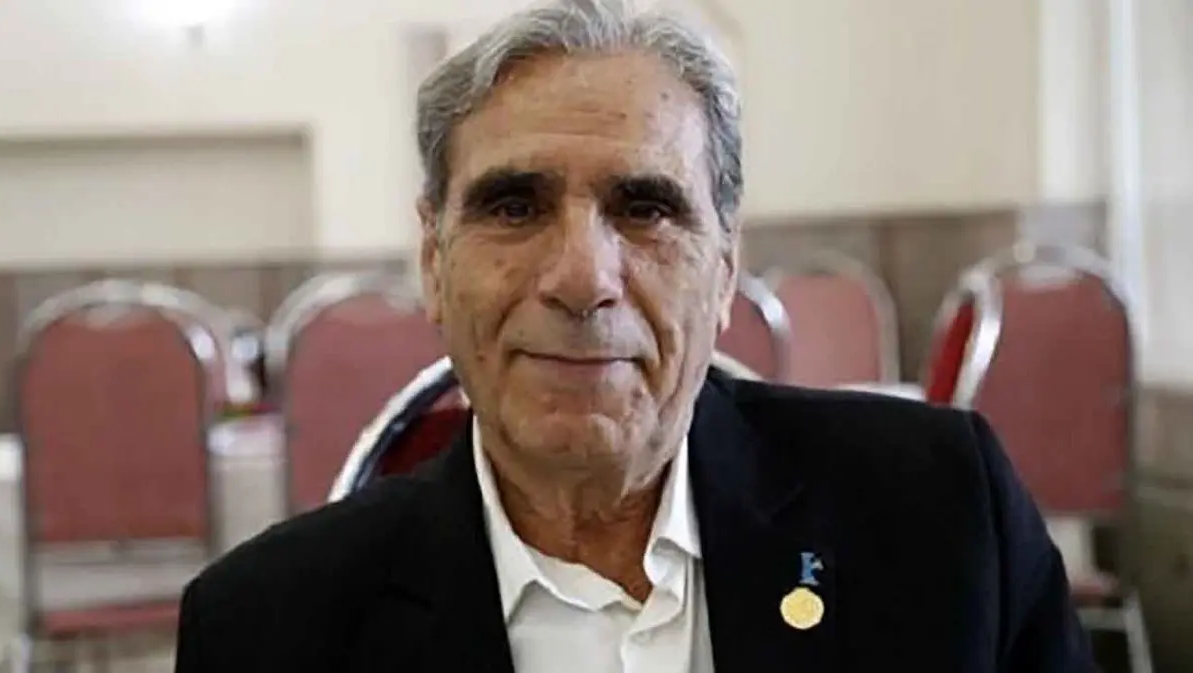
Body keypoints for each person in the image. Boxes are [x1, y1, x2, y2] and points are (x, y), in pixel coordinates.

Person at [174, 0, 1095, 671]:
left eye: (645, 207)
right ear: (433, 261)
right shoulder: (270, 629)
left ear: (724, 267)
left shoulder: (940, 516)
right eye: (514, 205)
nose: (582, 277)